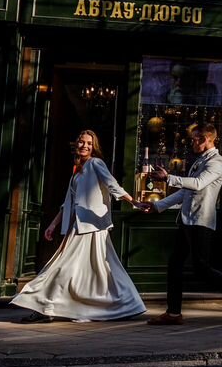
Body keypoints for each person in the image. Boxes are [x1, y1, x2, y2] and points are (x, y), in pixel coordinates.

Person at [11, 130, 147, 323]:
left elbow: (112, 184)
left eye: (89, 144)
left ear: (94, 147)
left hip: (92, 226)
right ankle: (124, 304)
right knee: (93, 272)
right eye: (82, 142)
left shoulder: (95, 163)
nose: (85, 146)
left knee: (64, 267)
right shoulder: (77, 170)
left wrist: (133, 202)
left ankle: (46, 307)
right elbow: (68, 203)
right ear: (76, 144)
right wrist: (53, 224)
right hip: (79, 226)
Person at [140, 124, 222, 324]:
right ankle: (174, 313)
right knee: (175, 265)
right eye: (193, 138)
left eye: (198, 138)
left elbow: (198, 183)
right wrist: (158, 206)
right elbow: (185, 192)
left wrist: (169, 178)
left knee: (201, 268)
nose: (193, 141)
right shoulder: (199, 161)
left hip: (201, 221)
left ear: (210, 139)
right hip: (187, 220)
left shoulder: (217, 163)